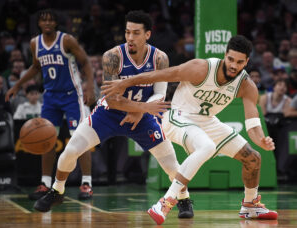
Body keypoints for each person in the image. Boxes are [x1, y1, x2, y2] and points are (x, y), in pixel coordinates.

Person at [101, 35, 278, 224]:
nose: (234, 65)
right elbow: (158, 75)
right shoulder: (201, 68)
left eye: (239, 62)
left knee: (253, 158)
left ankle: (250, 205)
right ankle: (166, 202)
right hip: (179, 115)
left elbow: (252, 123)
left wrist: (261, 139)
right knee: (207, 147)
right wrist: (124, 82)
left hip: (208, 121)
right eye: (231, 59)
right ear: (225, 55)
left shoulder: (246, 85)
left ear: (247, 62)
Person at [32, 10, 193, 218]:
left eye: (136, 33)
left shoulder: (160, 58)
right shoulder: (112, 57)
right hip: (109, 114)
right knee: (70, 151)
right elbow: (111, 100)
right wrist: (141, 108)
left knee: (171, 165)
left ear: (147, 35)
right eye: (127, 32)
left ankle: (183, 199)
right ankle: (57, 190)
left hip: (142, 117)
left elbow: (159, 94)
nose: (130, 38)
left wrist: (140, 112)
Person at [5, 9, 96, 201]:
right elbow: (36, 67)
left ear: (56, 23)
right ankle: (45, 183)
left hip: (72, 95)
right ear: (38, 23)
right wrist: (18, 86)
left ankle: (86, 183)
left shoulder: (67, 40)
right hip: (51, 97)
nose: (47, 23)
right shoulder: (34, 43)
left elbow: (85, 62)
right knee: (46, 140)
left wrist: (89, 87)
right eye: (43, 20)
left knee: (80, 139)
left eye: (50, 20)